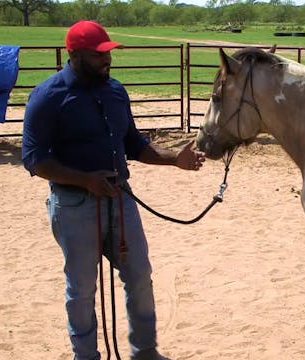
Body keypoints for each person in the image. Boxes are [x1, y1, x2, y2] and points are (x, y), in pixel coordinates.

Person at [21, 20, 205, 360]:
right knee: (81, 291)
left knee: (140, 278)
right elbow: (34, 160)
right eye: (98, 55)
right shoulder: (47, 97)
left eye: (108, 54)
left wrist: (173, 160)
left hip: (121, 201)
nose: (107, 60)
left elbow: (133, 144)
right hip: (74, 205)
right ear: (74, 55)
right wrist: (85, 180)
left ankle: (145, 352)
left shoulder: (115, 91)